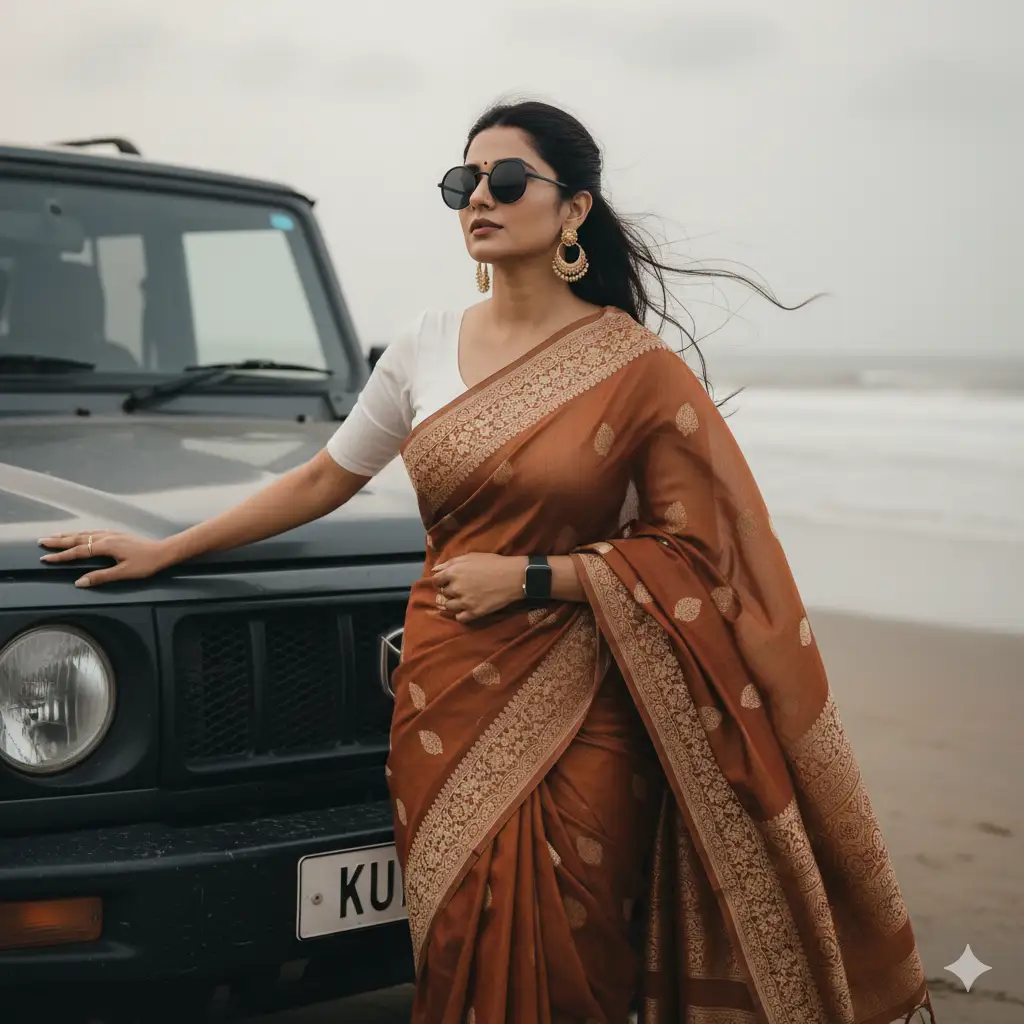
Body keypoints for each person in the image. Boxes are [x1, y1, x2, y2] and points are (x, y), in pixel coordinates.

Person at [39, 101, 934, 1024]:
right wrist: (167, 548)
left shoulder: (632, 368)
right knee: (463, 931)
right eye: (464, 182)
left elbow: (704, 554)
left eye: (508, 180)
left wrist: (539, 578)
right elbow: (319, 480)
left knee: (577, 949)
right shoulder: (425, 345)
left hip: (586, 702)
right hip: (443, 688)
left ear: (574, 208)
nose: (481, 198)